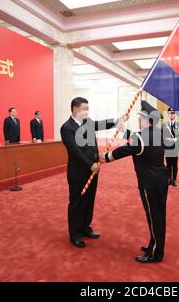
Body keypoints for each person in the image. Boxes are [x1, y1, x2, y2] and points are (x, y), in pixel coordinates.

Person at [101, 101, 171, 263]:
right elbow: (138, 139)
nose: (138, 119)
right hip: (161, 179)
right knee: (158, 215)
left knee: (154, 217)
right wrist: (124, 131)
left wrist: (105, 157)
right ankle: (154, 243)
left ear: (146, 119)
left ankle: (156, 253)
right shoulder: (160, 133)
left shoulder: (141, 137)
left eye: (140, 117)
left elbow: (126, 149)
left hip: (149, 183)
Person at [60, 97, 127, 248]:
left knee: (89, 200)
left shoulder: (88, 122)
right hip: (78, 171)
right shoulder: (67, 128)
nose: (87, 111)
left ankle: (85, 228)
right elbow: (74, 151)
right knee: (77, 202)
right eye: (84, 109)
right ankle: (75, 234)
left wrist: (117, 120)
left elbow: (100, 124)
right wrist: (90, 164)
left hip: (94, 169)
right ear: (75, 109)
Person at [163, 107, 179, 187]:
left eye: (173, 113)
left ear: (175, 114)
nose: (171, 115)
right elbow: (163, 137)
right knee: (168, 165)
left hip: (175, 147)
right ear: (168, 114)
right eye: (170, 113)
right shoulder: (164, 125)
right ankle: (168, 179)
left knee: (174, 164)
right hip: (167, 147)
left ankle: (174, 180)